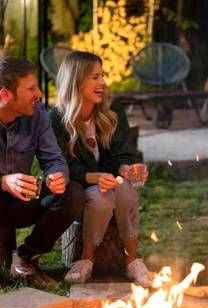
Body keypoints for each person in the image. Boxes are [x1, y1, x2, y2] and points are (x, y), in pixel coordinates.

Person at [49, 50, 152, 287]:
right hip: (79, 191)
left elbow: (121, 153)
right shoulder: (55, 119)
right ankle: (87, 259)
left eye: (102, 75)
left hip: (112, 183)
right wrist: (92, 176)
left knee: (127, 189)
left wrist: (127, 169)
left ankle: (132, 262)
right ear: (76, 80)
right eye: (94, 77)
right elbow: (60, 164)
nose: (103, 82)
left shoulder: (111, 109)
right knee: (99, 196)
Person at [0, 57, 85, 289]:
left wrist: (56, 176)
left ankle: (26, 256)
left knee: (73, 193)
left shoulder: (37, 115)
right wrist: (4, 182)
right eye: (30, 89)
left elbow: (54, 159)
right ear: (5, 95)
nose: (39, 94)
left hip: (23, 201)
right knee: (1, 272)